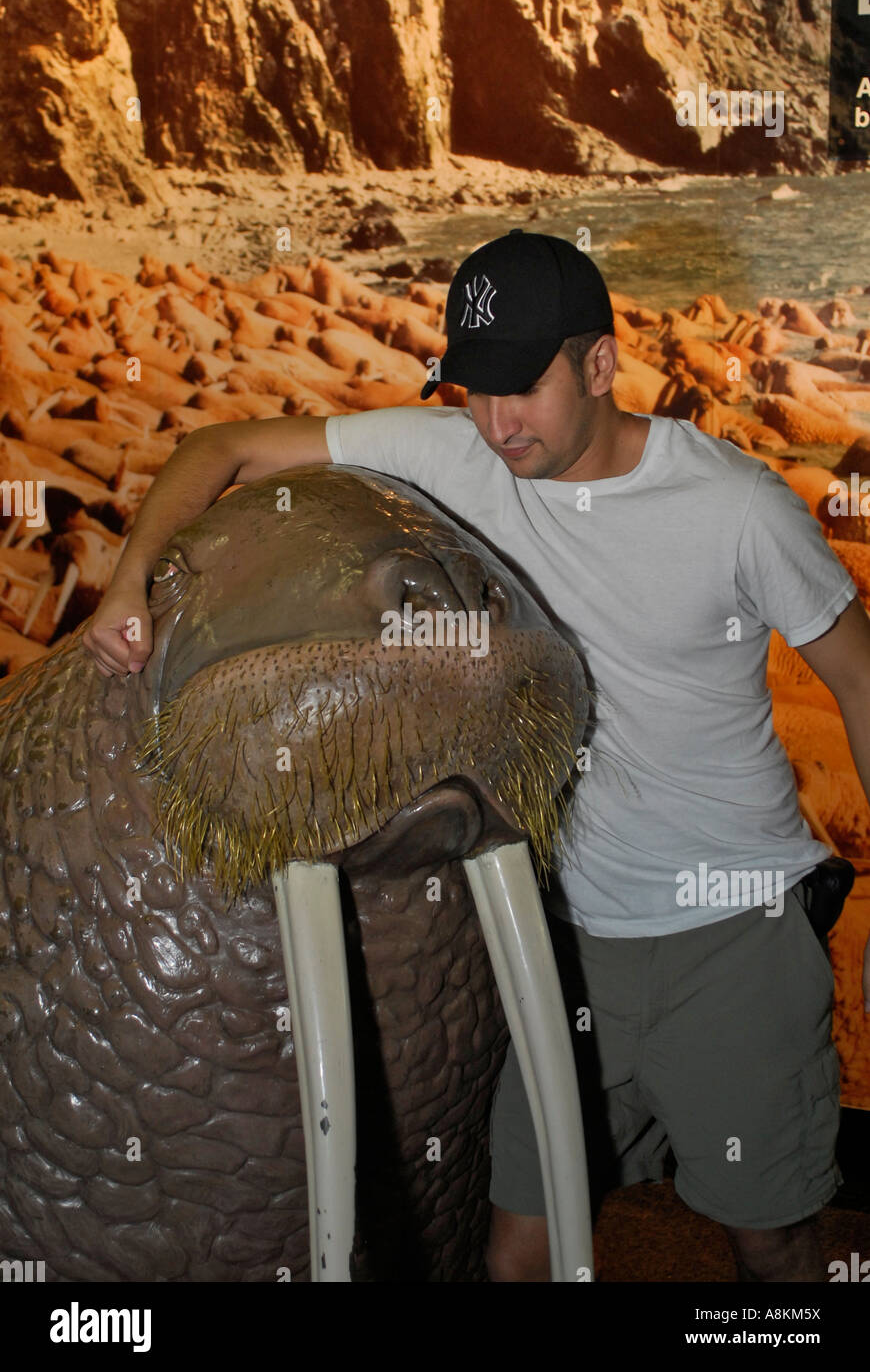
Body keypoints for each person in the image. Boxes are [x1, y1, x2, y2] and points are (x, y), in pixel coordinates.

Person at [84, 230, 870, 1282]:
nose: (499, 424)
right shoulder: (458, 452)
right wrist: (130, 580)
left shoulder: (737, 507)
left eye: (525, 388)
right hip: (564, 943)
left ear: (599, 365)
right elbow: (223, 448)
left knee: (769, 1238)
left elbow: (858, 677)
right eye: (474, 390)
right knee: (518, 1253)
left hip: (728, 935)